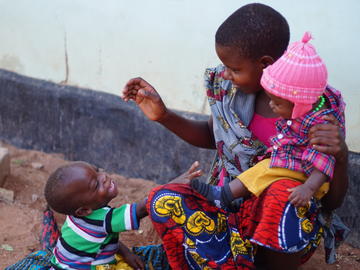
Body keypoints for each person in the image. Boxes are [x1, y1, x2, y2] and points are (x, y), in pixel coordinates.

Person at [122, 3, 349, 270]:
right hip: (226, 210)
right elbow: (213, 135)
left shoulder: (316, 106)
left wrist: (341, 155)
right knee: (163, 198)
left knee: (281, 191)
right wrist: (164, 116)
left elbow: (332, 200)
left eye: (234, 68)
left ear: (265, 64)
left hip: (282, 230)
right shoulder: (229, 90)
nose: (226, 73)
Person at [190, 32, 345, 210]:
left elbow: (324, 165)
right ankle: (224, 195)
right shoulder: (231, 97)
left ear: (299, 104)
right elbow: (212, 135)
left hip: (305, 184)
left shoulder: (322, 125)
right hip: (285, 171)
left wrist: (308, 188)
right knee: (264, 168)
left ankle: (224, 196)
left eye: (277, 102)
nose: (272, 105)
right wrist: (164, 116)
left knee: (267, 173)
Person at [44, 161, 147, 270]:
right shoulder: (102, 220)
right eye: (96, 185)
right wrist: (160, 195)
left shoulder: (77, 216)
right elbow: (140, 210)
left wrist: (126, 253)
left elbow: (103, 238)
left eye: (97, 171)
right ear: (83, 210)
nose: (103, 177)